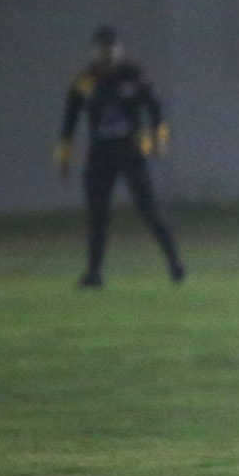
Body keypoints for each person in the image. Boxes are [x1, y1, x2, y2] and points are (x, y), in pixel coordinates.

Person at [55, 26, 185, 288]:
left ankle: (175, 263)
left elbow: (155, 108)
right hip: (101, 153)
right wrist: (63, 156)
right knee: (97, 214)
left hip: (131, 150)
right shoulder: (85, 80)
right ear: (94, 51)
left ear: (120, 50)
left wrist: (159, 140)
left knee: (148, 208)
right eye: (102, 48)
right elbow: (69, 119)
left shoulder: (133, 75)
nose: (107, 53)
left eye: (111, 48)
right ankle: (94, 273)